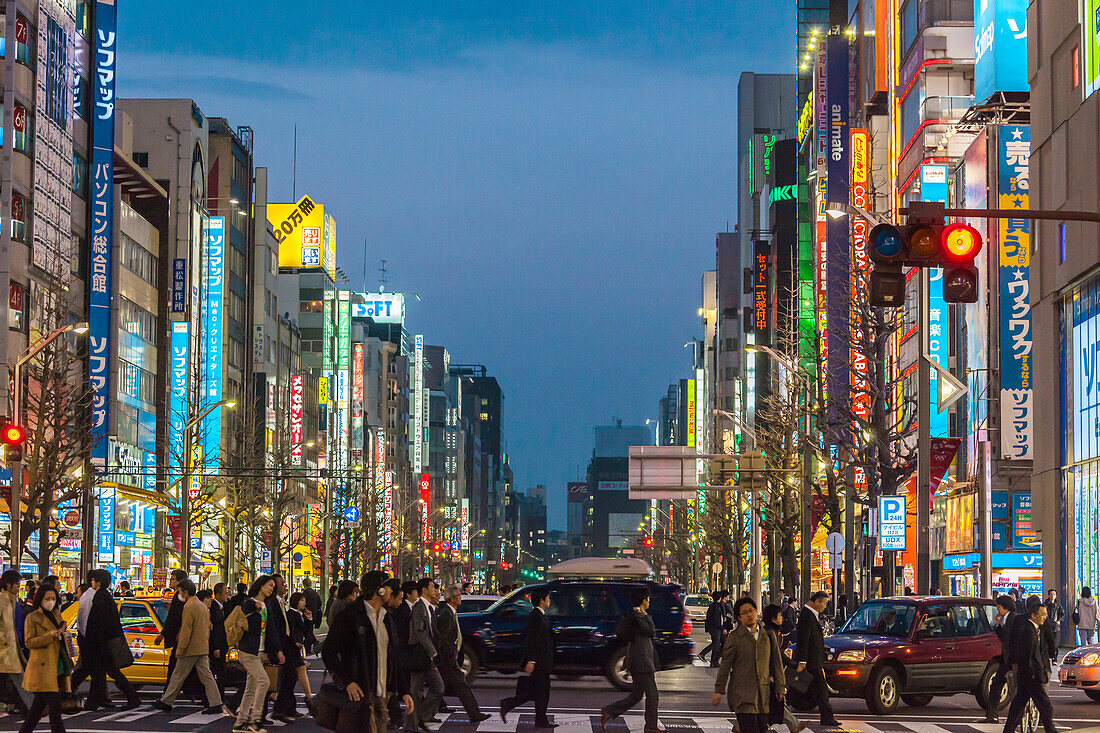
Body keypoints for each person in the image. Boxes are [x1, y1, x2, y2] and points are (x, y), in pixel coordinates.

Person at [324, 570, 414, 733]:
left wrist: (404, 691)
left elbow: (393, 657)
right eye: (387, 587)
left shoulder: (387, 618)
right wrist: (348, 682)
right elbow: (328, 652)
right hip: (358, 695)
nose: (391, 592)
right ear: (378, 589)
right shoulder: (351, 615)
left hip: (381, 696)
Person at [711, 597, 785, 733]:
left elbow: (777, 661)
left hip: (763, 695)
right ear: (739, 617)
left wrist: (780, 686)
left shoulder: (768, 635)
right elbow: (725, 665)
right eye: (745, 613)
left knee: (762, 729)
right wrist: (719, 690)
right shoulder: (735, 637)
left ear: (756, 612)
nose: (749, 615)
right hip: (742, 694)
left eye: (752, 611)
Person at [153, 579, 227, 715]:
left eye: (180, 591)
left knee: (177, 675)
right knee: (207, 677)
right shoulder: (202, 606)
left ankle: (166, 701)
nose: (179, 594)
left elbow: (186, 630)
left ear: (185, 592)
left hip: (190, 649)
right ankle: (216, 703)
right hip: (202, 647)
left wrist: (180, 649)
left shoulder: (189, 606)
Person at [600, 587, 661, 733]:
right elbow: (650, 631)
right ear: (643, 600)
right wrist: (641, 615)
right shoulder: (637, 617)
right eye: (647, 598)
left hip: (642, 660)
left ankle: (609, 711)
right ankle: (651, 726)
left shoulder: (639, 616)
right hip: (641, 661)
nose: (649, 601)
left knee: (637, 695)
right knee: (652, 695)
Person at [82, 569, 140, 711]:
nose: (91, 583)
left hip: (102, 642)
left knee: (109, 671)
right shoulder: (105, 596)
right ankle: (94, 701)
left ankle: (132, 697)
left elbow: (99, 622)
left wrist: (92, 639)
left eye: (93, 580)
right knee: (100, 671)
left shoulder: (100, 597)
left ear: (98, 582)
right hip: (105, 641)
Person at [500, 586, 556, 727]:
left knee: (536, 692)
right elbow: (533, 640)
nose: (549, 600)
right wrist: (531, 660)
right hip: (540, 662)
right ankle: (540, 720)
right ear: (542, 600)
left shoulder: (540, 615)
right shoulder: (536, 616)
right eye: (548, 598)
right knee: (542, 692)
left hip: (542, 660)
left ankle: (510, 704)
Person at [19, 584, 71, 733]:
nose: (51, 601)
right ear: (40, 599)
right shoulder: (32, 617)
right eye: (47, 598)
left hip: (56, 665)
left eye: (54, 598)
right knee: (55, 709)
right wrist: (49, 636)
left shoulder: (56, 615)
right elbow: (29, 642)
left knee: (36, 710)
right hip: (42, 668)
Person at [1001, 598, 1057, 733]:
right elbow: (1026, 655)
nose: (1045, 618)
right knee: (1046, 706)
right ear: (1034, 615)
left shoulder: (1032, 628)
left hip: (1027, 676)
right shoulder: (1028, 631)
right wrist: (1033, 672)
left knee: (1018, 706)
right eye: (1043, 614)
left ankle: (1008, 730)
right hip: (1031, 677)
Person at [435, 586, 490, 724]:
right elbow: (444, 638)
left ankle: (474, 714)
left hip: (449, 657)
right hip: (448, 658)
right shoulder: (447, 614)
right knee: (455, 687)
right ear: (452, 599)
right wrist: (451, 656)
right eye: (458, 596)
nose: (460, 598)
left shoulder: (451, 612)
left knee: (441, 687)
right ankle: (474, 714)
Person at [231, 575, 278, 733]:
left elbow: (270, 630)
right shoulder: (249, 603)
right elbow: (247, 622)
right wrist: (255, 607)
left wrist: (276, 650)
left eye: (273, 586)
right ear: (261, 585)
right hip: (247, 650)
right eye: (270, 585)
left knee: (250, 688)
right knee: (264, 681)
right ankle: (256, 720)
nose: (272, 588)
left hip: (259, 651)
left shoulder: (266, 606)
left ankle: (241, 722)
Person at [404, 578, 445, 733]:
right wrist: (432, 651)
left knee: (438, 687)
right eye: (432, 587)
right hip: (420, 654)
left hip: (427, 655)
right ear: (424, 590)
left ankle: (421, 716)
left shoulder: (429, 607)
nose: (435, 590)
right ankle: (410, 725)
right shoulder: (420, 607)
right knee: (415, 691)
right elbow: (419, 631)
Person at [795, 590, 839, 728]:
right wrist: (802, 660)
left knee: (811, 689)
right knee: (821, 689)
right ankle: (827, 717)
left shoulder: (810, 614)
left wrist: (820, 645)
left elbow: (810, 637)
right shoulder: (807, 616)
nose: (825, 606)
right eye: (824, 603)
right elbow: (803, 639)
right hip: (811, 661)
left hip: (812, 659)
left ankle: (826, 716)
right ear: (817, 601)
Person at [266, 574, 301, 723]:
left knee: (289, 676)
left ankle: (281, 709)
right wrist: (276, 649)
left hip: (286, 645)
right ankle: (278, 710)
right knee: (272, 680)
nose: (285, 586)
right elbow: (273, 627)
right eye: (282, 584)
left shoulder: (280, 602)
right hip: (278, 645)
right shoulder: (272, 603)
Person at [154, 569, 190, 699]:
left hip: (180, 638)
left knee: (175, 668)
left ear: (179, 581)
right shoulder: (182, 597)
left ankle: (167, 696)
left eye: (173, 579)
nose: (171, 581)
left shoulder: (180, 596)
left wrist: (163, 634)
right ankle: (192, 692)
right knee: (186, 669)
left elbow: (175, 618)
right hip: (184, 638)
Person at [0, 570, 32, 712]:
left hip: (10, 648)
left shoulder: (12, 600)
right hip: (5, 648)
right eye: (17, 584)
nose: (19, 586)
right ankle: (33, 706)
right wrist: (5, 639)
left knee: (19, 676)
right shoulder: (2, 600)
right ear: (8, 584)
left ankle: (32, 706)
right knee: (19, 676)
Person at [985, 595, 1018, 723]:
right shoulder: (1005, 619)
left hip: (1013, 660)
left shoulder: (1013, 619)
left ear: (1005, 607)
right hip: (1006, 660)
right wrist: (998, 626)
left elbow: (1012, 640)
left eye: (999, 607)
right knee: (996, 686)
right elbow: (1004, 638)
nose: (997, 610)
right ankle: (992, 715)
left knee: (1017, 690)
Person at [285, 592, 315, 711]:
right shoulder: (292, 614)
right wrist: (295, 641)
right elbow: (291, 630)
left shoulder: (299, 614)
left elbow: (307, 632)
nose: (304, 602)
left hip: (296, 647)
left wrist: (309, 619)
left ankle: (278, 698)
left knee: (291, 676)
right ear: (296, 601)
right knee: (299, 670)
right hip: (292, 647)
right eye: (302, 600)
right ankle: (308, 696)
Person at [206, 586, 230, 698]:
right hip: (216, 646)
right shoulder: (214, 608)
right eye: (225, 593)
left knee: (219, 672)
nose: (227, 595)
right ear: (218, 595)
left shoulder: (222, 607)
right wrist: (216, 647)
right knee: (219, 672)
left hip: (221, 645)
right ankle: (217, 696)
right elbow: (215, 630)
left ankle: (217, 696)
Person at [700, 591, 727, 667]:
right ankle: (713, 661)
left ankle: (714, 660)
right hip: (716, 628)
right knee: (716, 644)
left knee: (721, 643)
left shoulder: (716, 606)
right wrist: (722, 629)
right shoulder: (715, 607)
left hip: (717, 628)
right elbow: (716, 620)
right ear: (720, 598)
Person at [301, 578, 322, 651]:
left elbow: (302, 604)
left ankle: (311, 644)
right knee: (309, 630)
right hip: (314, 614)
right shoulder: (315, 593)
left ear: (304, 585)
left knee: (307, 631)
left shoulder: (305, 593)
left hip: (307, 614)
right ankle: (311, 644)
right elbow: (320, 604)